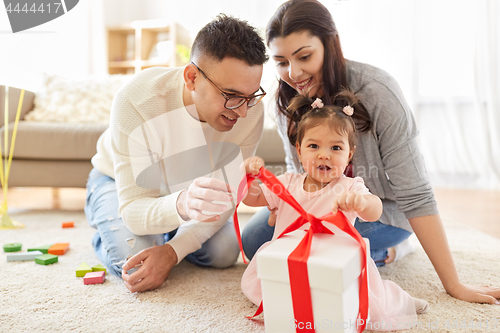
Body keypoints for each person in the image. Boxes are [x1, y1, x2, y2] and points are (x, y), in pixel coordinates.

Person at [242, 0, 500, 305]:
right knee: (254, 240)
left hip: (379, 210)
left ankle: (392, 249)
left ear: (330, 44)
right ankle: (359, 253)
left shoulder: (378, 91)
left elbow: (415, 193)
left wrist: (454, 284)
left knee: (324, 246)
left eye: (305, 57)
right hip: (315, 204)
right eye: (282, 61)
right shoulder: (288, 98)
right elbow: (295, 169)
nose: (294, 72)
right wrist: (280, 206)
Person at [85, 14, 268, 293]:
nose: (242, 112)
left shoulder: (249, 111)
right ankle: (103, 215)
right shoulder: (136, 99)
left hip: (188, 192)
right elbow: (134, 209)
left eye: (250, 96)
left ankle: (165, 231)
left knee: (223, 253)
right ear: (192, 77)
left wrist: (172, 251)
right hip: (118, 182)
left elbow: (226, 198)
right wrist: (181, 206)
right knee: (134, 265)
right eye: (231, 95)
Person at [240, 92, 428, 327]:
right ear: (299, 151)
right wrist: (248, 176)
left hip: (334, 262)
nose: (324, 154)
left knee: (369, 306)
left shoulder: (349, 187)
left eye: (336, 148)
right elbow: (252, 199)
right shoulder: (287, 182)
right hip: (292, 259)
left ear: (349, 155)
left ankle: (400, 298)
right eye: (313, 146)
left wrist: (362, 203)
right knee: (269, 293)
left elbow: (375, 211)